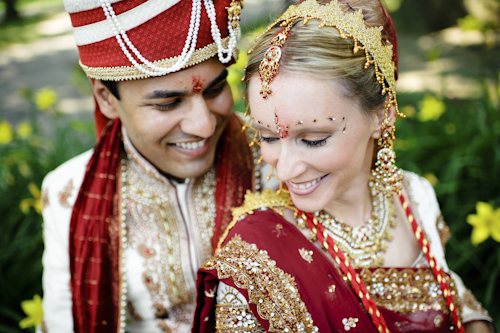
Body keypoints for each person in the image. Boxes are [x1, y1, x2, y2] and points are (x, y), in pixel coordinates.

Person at [192, 0, 494, 332]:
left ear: (382, 117)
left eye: (314, 139)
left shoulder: (414, 196)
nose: (287, 169)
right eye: (268, 137)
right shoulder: (254, 259)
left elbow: (451, 293)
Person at [39, 0, 274, 332]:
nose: (204, 126)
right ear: (106, 98)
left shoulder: (277, 157)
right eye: (168, 103)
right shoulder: (68, 195)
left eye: (216, 89)